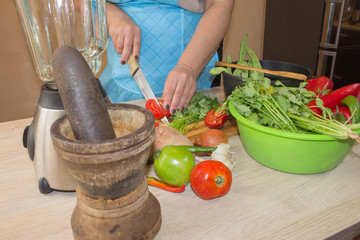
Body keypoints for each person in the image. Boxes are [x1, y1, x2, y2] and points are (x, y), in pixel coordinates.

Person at [100, 0, 234, 114]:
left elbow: (220, 4)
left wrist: (188, 67)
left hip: (196, 82)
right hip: (118, 87)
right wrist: (111, 14)